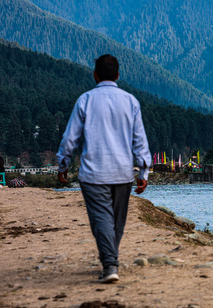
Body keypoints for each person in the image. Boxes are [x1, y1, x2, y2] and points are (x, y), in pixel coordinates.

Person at [56, 54, 151, 283]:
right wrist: (144, 172)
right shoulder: (130, 101)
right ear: (118, 75)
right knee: (117, 221)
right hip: (122, 173)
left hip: (93, 173)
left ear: (95, 75)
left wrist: (63, 164)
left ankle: (110, 264)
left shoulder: (85, 100)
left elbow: (70, 138)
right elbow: (140, 141)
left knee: (101, 219)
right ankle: (111, 261)